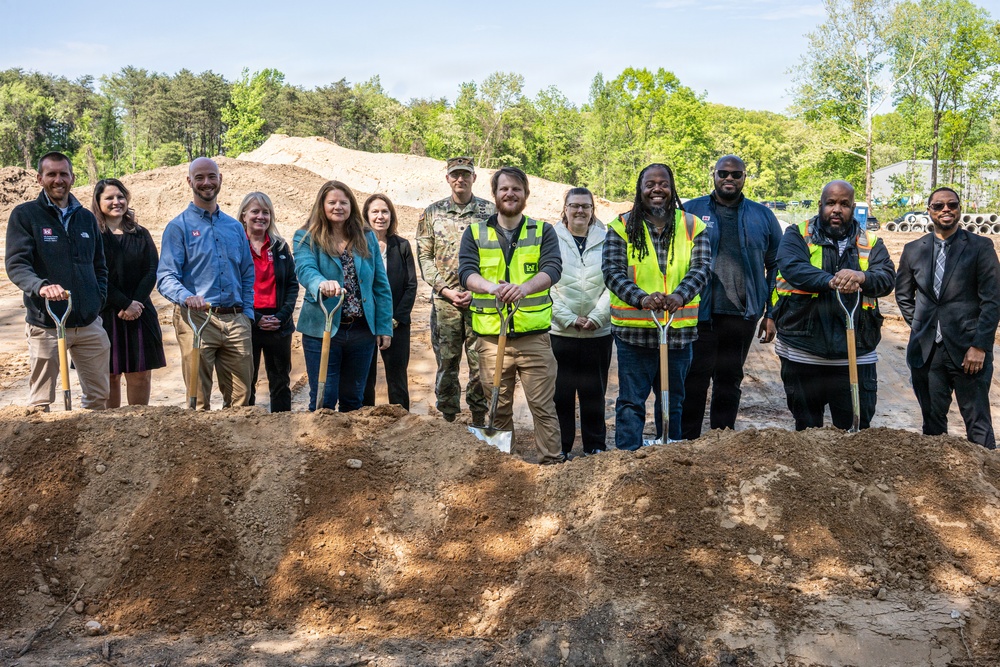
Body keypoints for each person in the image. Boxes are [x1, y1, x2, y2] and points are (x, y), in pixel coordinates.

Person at [458, 166, 564, 464]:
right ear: (494, 194)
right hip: (492, 339)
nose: (510, 194)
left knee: (542, 406)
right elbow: (466, 272)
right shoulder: (475, 233)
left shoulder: (542, 231)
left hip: (534, 338)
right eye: (504, 188)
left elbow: (553, 268)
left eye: (516, 189)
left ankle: (552, 464)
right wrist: (492, 288)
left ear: (526, 194)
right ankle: (505, 466)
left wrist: (523, 289)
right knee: (498, 407)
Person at [603, 163, 711, 449]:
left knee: (672, 401)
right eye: (650, 184)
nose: (657, 189)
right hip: (634, 335)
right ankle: (627, 457)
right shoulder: (621, 226)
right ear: (640, 189)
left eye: (663, 183)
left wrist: (680, 296)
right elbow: (612, 272)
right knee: (631, 402)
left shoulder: (692, 226)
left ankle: (670, 454)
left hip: (677, 334)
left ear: (672, 188)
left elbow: (701, 268)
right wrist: (642, 298)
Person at [772, 180, 896, 431]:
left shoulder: (871, 242)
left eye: (844, 204)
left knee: (855, 432)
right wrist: (831, 281)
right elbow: (793, 267)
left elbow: (886, 277)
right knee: (807, 434)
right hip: (803, 350)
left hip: (856, 355)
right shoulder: (797, 234)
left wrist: (862, 277)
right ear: (820, 205)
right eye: (831, 203)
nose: (837, 209)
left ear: (853, 208)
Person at [681, 156, 783, 439]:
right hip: (698, 314)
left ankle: (722, 441)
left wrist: (771, 313)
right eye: (723, 173)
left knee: (729, 381)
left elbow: (777, 265)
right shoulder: (690, 211)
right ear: (713, 175)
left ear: (744, 177)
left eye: (736, 174)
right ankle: (686, 442)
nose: (729, 178)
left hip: (742, 315)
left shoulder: (762, 216)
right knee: (693, 380)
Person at [895, 187, 1000, 448]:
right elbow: (903, 295)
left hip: (969, 351)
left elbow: (992, 301)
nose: (946, 210)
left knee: (978, 424)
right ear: (929, 210)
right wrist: (922, 327)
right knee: (932, 426)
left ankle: (986, 474)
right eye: (939, 205)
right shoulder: (913, 250)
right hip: (927, 353)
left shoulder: (980, 247)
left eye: (952, 205)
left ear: (959, 209)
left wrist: (980, 346)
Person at [5, 151, 110, 410]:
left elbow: (100, 266)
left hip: (88, 324)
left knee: (98, 399)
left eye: (63, 174)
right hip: (47, 324)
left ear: (72, 177)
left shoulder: (86, 218)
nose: (58, 179)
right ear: (40, 179)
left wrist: (97, 299)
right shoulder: (25, 215)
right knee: (40, 403)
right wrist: (41, 286)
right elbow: (17, 264)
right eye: (51, 174)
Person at [156, 157, 255, 410]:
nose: (206, 182)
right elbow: (165, 277)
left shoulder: (235, 227)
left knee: (241, 401)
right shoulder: (178, 227)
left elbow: (247, 273)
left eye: (211, 176)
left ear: (220, 179)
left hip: (236, 320)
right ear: (189, 182)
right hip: (196, 319)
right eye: (199, 177)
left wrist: (247, 314)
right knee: (198, 401)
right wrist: (186, 297)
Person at [294, 181, 393, 411]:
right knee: (324, 398)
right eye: (332, 202)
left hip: (362, 331)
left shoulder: (366, 237)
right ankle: (319, 435)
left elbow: (380, 285)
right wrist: (321, 283)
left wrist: (384, 326)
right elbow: (305, 269)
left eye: (343, 202)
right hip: (323, 328)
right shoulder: (306, 237)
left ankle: (350, 436)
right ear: (322, 205)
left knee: (353, 399)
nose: (338, 207)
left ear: (351, 206)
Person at [417, 156, 495, 425]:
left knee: (480, 363)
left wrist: (479, 290)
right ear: (447, 178)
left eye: (465, 174)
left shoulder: (490, 212)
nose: (460, 179)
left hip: (480, 300)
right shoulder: (432, 212)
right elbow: (424, 256)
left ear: (474, 177)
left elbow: (499, 255)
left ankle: (479, 418)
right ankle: (448, 417)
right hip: (445, 303)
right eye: (455, 174)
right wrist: (445, 290)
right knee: (447, 363)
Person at [92, 178, 166, 407]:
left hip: (140, 312)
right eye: (109, 197)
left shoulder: (141, 233)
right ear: (98, 202)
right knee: (110, 375)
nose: (116, 201)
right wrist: (124, 303)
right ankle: (112, 424)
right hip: (106, 312)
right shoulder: (92, 235)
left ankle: (139, 421)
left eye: (120, 196)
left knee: (140, 373)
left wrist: (135, 303)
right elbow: (94, 274)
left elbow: (151, 270)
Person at [550, 187, 612, 456]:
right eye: (574, 205)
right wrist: (568, 318)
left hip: (598, 334)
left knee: (594, 394)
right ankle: (561, 447)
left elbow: (614, 280)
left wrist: (598, 317)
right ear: (565, 209)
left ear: (592, 210)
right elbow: (545, 283)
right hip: (561, 332)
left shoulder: (608, 239)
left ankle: (595, 446)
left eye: (586, 206)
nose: (580, 211)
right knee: (560, 394)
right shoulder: (550, 238)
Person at [239, 191, 299, 412]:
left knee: (281, 381)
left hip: (278, 324)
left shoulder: (280, 247)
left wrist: (281, 317)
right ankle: (247, 425)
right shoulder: (236, 246)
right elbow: (233, 286)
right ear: (244, 215)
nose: (261, 217)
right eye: (255, 211)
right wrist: (256, 318)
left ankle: (282, 425)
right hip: (248, 322)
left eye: (266, 212)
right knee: (246, 382)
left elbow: (292, 285)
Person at [362, 194, 417, 410]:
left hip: (396, 323)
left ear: (391, 215)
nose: (380, 216)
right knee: (364, 378)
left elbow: (411, 285)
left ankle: (403, 422)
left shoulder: (402, 245)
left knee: (397, 379)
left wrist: (393, 320)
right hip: (364, 323)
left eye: (384, 211)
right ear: (366, 215)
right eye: (375, 212)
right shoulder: (358, 246)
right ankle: (364, 419)